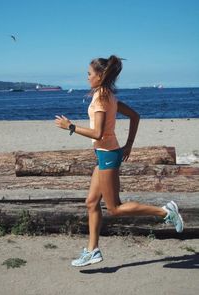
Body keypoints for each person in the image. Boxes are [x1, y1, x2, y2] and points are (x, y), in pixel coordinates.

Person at [54, 55, 183, 267]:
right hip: (105, 154)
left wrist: (71, 126)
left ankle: (165, 212)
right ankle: (92, 250)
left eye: (89, 74)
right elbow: (135, 116)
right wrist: (129, 144)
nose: (86, 77)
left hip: (107, 155)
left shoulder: (103, 98)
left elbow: (97, 133)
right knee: (91, 202)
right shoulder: (107, 95)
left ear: (100, 75)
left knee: (114, 208)